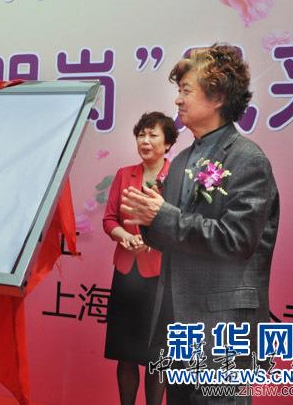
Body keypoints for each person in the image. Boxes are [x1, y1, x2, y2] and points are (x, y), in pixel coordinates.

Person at [122, 42, 279, 404]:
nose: (177, 101)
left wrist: (163, 216)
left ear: (218, 96)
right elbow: (173, 232)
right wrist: (148, 220)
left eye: (186, 90)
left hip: (223, 330)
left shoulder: (247, 159)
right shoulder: (180, 162)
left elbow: (237, 239)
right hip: (179, 328)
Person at [103, 111, 176, 405]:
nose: (145, 141)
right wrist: (124, 236)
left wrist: (150, 241)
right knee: (126, 353)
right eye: (141, 135)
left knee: (157, 356)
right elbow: (109, 219)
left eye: (152, 135)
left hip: (159, 278)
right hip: (125, 274)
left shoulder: (177, 178)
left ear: (167, 143)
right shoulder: (124, 174)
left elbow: (180, 227)